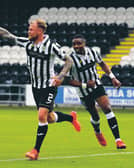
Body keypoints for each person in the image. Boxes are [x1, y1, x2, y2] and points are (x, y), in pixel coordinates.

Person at [0, 19, 81, 160]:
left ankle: (35, 151)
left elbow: (69, 61)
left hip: (49, 85)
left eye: (31, 29)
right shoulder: (27, 43)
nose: (28, 31)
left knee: (41, 115)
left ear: (40, 31)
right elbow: (8, 36)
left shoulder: (51, 45)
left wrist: (61, 76)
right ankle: (70, 117)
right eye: (28, 29)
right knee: (49, 118)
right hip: (36, 86)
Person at [67, 34, 126, 149]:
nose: (76, 46)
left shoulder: (92, 52)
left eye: (79, 43)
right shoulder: (71, 59)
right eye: (74, 44)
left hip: (96, 85)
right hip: (83, 91)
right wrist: (85, 85)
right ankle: (97, 131)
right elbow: (68, 80)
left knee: (107, 108)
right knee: (95, 116)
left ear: (84, 43)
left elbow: (102, 64)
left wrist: (113, 77)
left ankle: (118, 140)